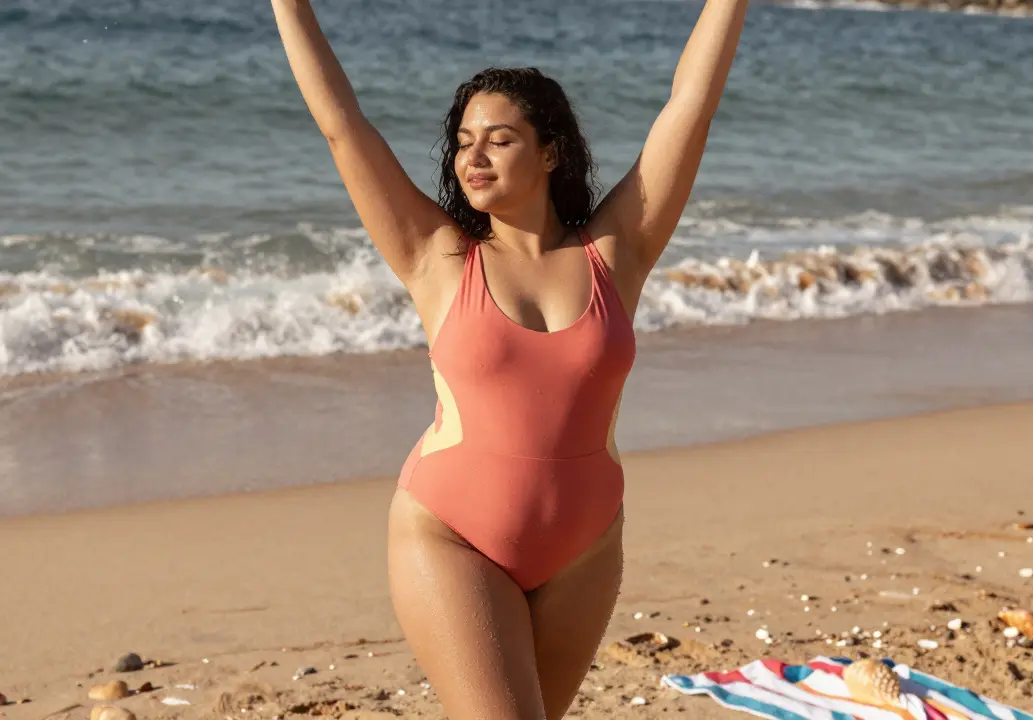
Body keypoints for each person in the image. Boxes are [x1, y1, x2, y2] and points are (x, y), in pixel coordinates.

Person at [271, 1, 747, 717]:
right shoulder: (437, 257)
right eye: (463, 142)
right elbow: (343, 126)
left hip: (586, 548)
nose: (473, 157)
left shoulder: (616, 253)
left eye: (499, 139)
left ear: (550, 151)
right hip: (453, 534)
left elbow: (691, 104)